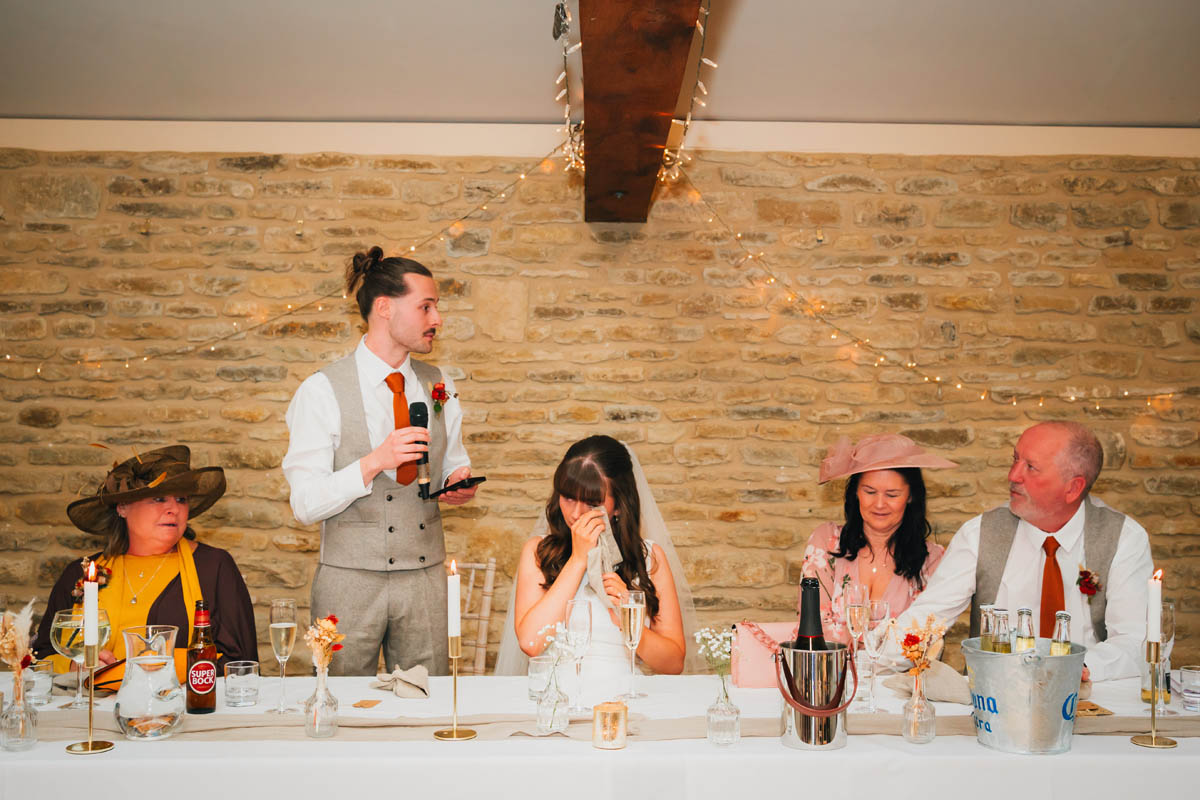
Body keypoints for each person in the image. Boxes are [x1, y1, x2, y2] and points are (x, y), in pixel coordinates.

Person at [283, 246, 478, 676]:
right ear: (385, 308)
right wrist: (373, 462)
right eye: (425, 307)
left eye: (437, 308)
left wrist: (457, 483)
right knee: (339, 701)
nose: (437, 320)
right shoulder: (321, 391)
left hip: (425, 580)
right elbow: (305, 504)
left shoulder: (440, 384)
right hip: (348, 582)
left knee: (427, 705)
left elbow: (452, 462)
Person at [887, 421, 1153, 681]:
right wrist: (871, 660)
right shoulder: (980, 533)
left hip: (1093, 698)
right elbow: (927, 618)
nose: (1013, 475)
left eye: (1031, 467)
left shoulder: (1123, 538)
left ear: (1072, 488)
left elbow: (1135, 640)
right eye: (1015, 459)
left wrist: (1078, 668)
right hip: (995, 699)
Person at [495, 436, 702, 687]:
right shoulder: (538, 552)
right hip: (553, 697)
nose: (575, 513)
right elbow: (531, 643)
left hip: (623, 699)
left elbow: (673, 664)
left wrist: (629, 620)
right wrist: (578, 559)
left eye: (592, 503)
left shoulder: (650, 558)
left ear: (618, 506)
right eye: (568, 497)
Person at [34, 445, 257, 677]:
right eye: (159, 498)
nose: (173, 509)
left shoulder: (214, 567)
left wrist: (151, 666)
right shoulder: (80, 573)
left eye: (181, 499)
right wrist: (73, 666)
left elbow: (240, 662)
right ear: (122, 507)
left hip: (181, 706)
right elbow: (40, 656)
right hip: (93, 709)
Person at [803, 433, 957, 643]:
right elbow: (813, 626)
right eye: (870, 492)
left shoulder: (933, 561)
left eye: (892, 494)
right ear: (855, 492)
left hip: (900, 676)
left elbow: (927, 638)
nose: (879, 504)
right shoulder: (826, 542)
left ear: (911, 496)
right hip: (831, 674)